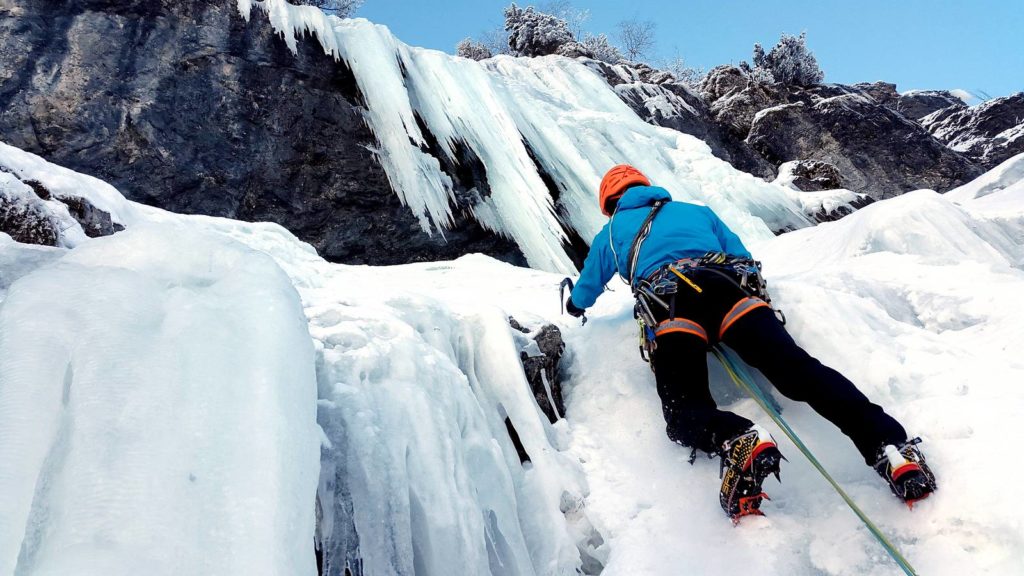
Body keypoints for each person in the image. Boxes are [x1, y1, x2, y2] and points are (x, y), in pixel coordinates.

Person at [565, 164, 937, 520]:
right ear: (648, 188)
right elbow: (740, 255)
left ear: (610, 202)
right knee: (801, 373)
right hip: (732, 294)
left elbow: (588, 286)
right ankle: (890, 447)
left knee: (684, 411)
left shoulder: (612, 232)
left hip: (672, 306)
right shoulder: (697, 212)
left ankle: (736, 437)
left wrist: (573, 304)